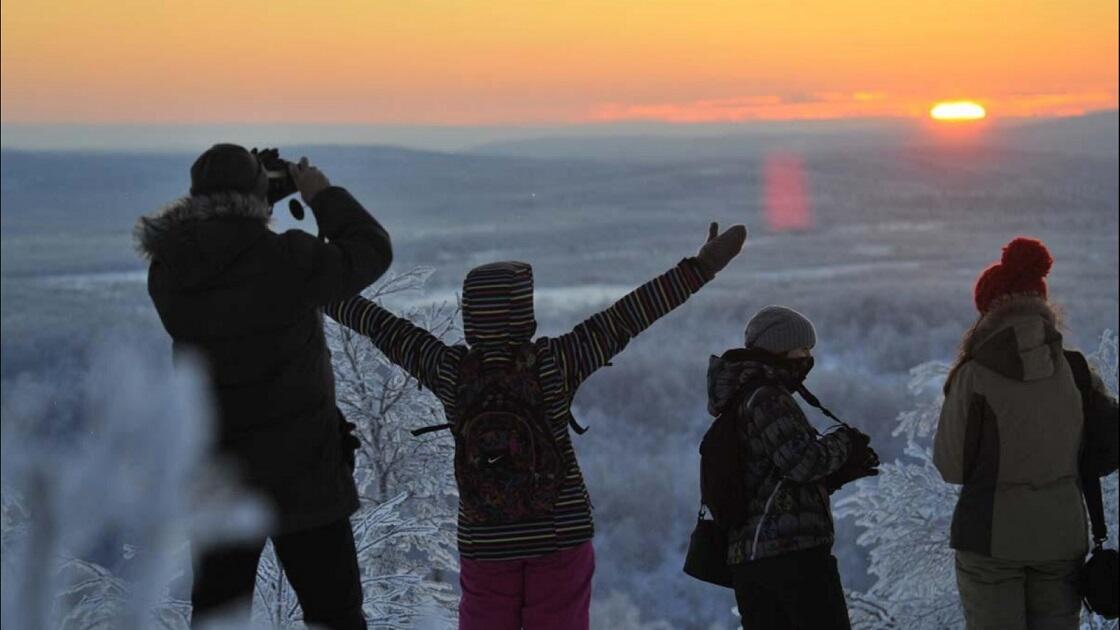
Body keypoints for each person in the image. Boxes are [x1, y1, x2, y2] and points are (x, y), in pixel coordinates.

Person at [325, 222, 746, 630]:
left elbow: (381, 326)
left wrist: (311, 285)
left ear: (471, 315)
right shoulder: (555, 364)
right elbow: (629, 315)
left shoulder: (450, 371)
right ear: (524, 313)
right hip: (559, 533)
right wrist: (701, 267)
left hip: (485, 540)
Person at [135, 144, 392, 629]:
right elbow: (371, 250)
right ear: (257, 197)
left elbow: (219, 248)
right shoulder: (287, 262)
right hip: (305, 476)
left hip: (219, 476)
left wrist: (248, 198)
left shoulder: (169, 273)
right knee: (334, 615)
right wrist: (322, 195)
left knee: (216, 616)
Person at [934, 237, 1117, 630]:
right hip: (1060, 536)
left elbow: (951, 466)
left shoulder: (973, 375)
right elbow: (1109, 444)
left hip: (990, 539)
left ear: (986, 311)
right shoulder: (1075, 371)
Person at [706, 305, 879, 629]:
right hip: (793, 555)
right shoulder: (767, 397)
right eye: (801, 349)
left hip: (749, 560)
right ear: (778, 349)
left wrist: (835, 475)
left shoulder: (739, 399)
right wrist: (845, 443)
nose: (807, 358)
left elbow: (768, 479)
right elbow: (803, 463)